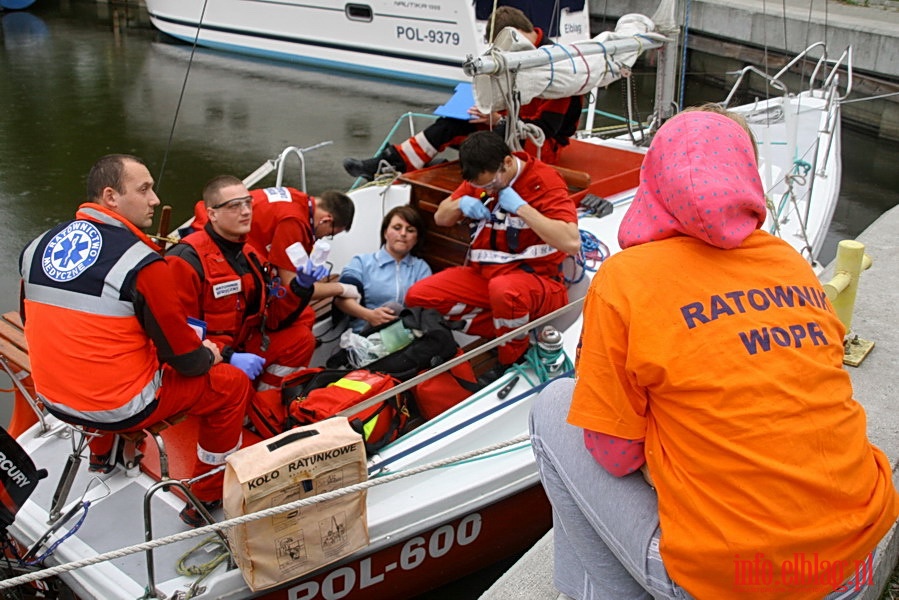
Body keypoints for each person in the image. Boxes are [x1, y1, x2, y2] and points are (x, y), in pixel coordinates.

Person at [529, 108, 899, 600]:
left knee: (553, 407)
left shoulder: (627, 279)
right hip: (854, 559)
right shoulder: (787, 261)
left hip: (739, 581)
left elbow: (613, 455)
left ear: (653, 179)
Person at [18, 154, 254, 528]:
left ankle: (101, 455)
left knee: (104, 355)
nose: (155, 200)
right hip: (120, 406)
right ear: (111, 197)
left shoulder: (37, 246)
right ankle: (206, 494)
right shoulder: (142, 263)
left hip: (52, 397)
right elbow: (186, 361)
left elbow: (34, 320)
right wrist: (210, 354)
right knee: (231, 386)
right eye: (144, 189)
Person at [343, 6, 582, 181]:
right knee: (451, 122)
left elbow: (546, 128)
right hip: (507, 125)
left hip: (540, 145)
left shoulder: (556, 65)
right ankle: (393, 161)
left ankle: (464, 181)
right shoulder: (515, 54)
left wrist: (500, 120)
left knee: (488, 137)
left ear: (515, 36)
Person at [405, 130, 580, 368]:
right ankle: (509, 329)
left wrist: (522, 209)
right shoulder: (482, 178)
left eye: (490, 184)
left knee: (505, 291)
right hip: (487, 276)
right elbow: (441, 217)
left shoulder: (545, 181)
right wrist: (461, 203)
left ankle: (511, 358)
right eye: (481, 186)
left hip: (536, 281)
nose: (489, 189)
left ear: (507, 163)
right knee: (419, 297)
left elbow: (571, 241)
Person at [166, 176, 327, 392]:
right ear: (212, 214)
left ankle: (264, 409)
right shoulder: (186, 260)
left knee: (300, 340)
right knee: (234, 380)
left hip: (242, 343)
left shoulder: (251, 257)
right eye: (234, 206)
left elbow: (273, 319)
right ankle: (244, 413)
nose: (246, 211)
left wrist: (300, 287)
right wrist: (228, 356)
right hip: (206, 355)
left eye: (248, 202)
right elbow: (177, 330)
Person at [335, 205, 432, 332]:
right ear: (385, 232)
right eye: (397, 228)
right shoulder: (361, 262)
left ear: (416, 238)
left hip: (406, 336)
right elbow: (341, 299)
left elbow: (424, 310)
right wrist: (369, 315)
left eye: (410, 230)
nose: (403, 234)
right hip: (365, 335)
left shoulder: (421, 269)